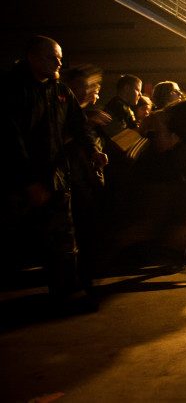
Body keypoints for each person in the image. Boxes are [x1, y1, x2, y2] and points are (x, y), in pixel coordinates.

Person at [2, 36, 108, 312]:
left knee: (62, 239)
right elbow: (11, 140)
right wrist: (28, 182)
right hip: (19, 183)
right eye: (52, 57)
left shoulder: (60, 91)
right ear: (32, 58)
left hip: (56, 178)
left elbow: (79, 125)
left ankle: (67, 294)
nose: (59, 62)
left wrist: (93, 150)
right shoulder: (13, 90)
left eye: (60, 58)